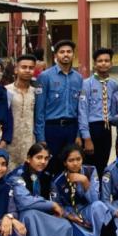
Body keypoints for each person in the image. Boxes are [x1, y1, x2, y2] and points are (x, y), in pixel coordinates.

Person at [6, 143, 74, 236]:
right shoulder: (17, 176)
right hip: (16, 216)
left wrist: (57, 209)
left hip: (36, 212)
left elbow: (45, 197)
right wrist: (52, 205)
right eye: (39, 157)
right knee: (30, 215)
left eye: (46, 158)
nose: (43, 162)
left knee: (64, 224)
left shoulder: (41, 174)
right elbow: (24, 201)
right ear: (28, 158)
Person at [51, 144, 112, 236]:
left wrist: (85, 182)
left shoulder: (90, 170)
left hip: (87, 210)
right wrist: (70, 216)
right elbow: (56, 206)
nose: (75, 163)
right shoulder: (57, 181)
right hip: (71, 215)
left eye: (78, 159)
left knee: (99, 206)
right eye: (71, 160)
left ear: (82, 159)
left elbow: (95, 200)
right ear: (65, 163)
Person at [34, 40, 83, 175]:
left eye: (69, 52)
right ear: (56, 55)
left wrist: (78, 134)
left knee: (71, 166)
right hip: (52, 129)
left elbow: (80, 110)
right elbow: (39, 110)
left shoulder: (78, 78)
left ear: (73, 54)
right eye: (62, 52)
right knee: (50, 166)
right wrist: (40, 137)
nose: (65, 55)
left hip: (71, 129)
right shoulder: (45, 76)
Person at [79, 47, 118, 177]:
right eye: (100, 61)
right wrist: (87, 138)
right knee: (89, 166)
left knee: (103, 164)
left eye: (106, 61)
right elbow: (83, 111)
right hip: (92, 129)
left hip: (106, 129)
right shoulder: (87, 84)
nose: (103, 63)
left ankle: (101, 189)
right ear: (95, 64)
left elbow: (114, 110)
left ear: (111, 63)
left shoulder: (113, 85)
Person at [6, 54, 37, 168]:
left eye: (31, 68)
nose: (27, 70)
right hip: (9, 144)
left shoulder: (36, 93)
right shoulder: (6, 91)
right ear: (16, 70)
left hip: (30, 143)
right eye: (24, 67)